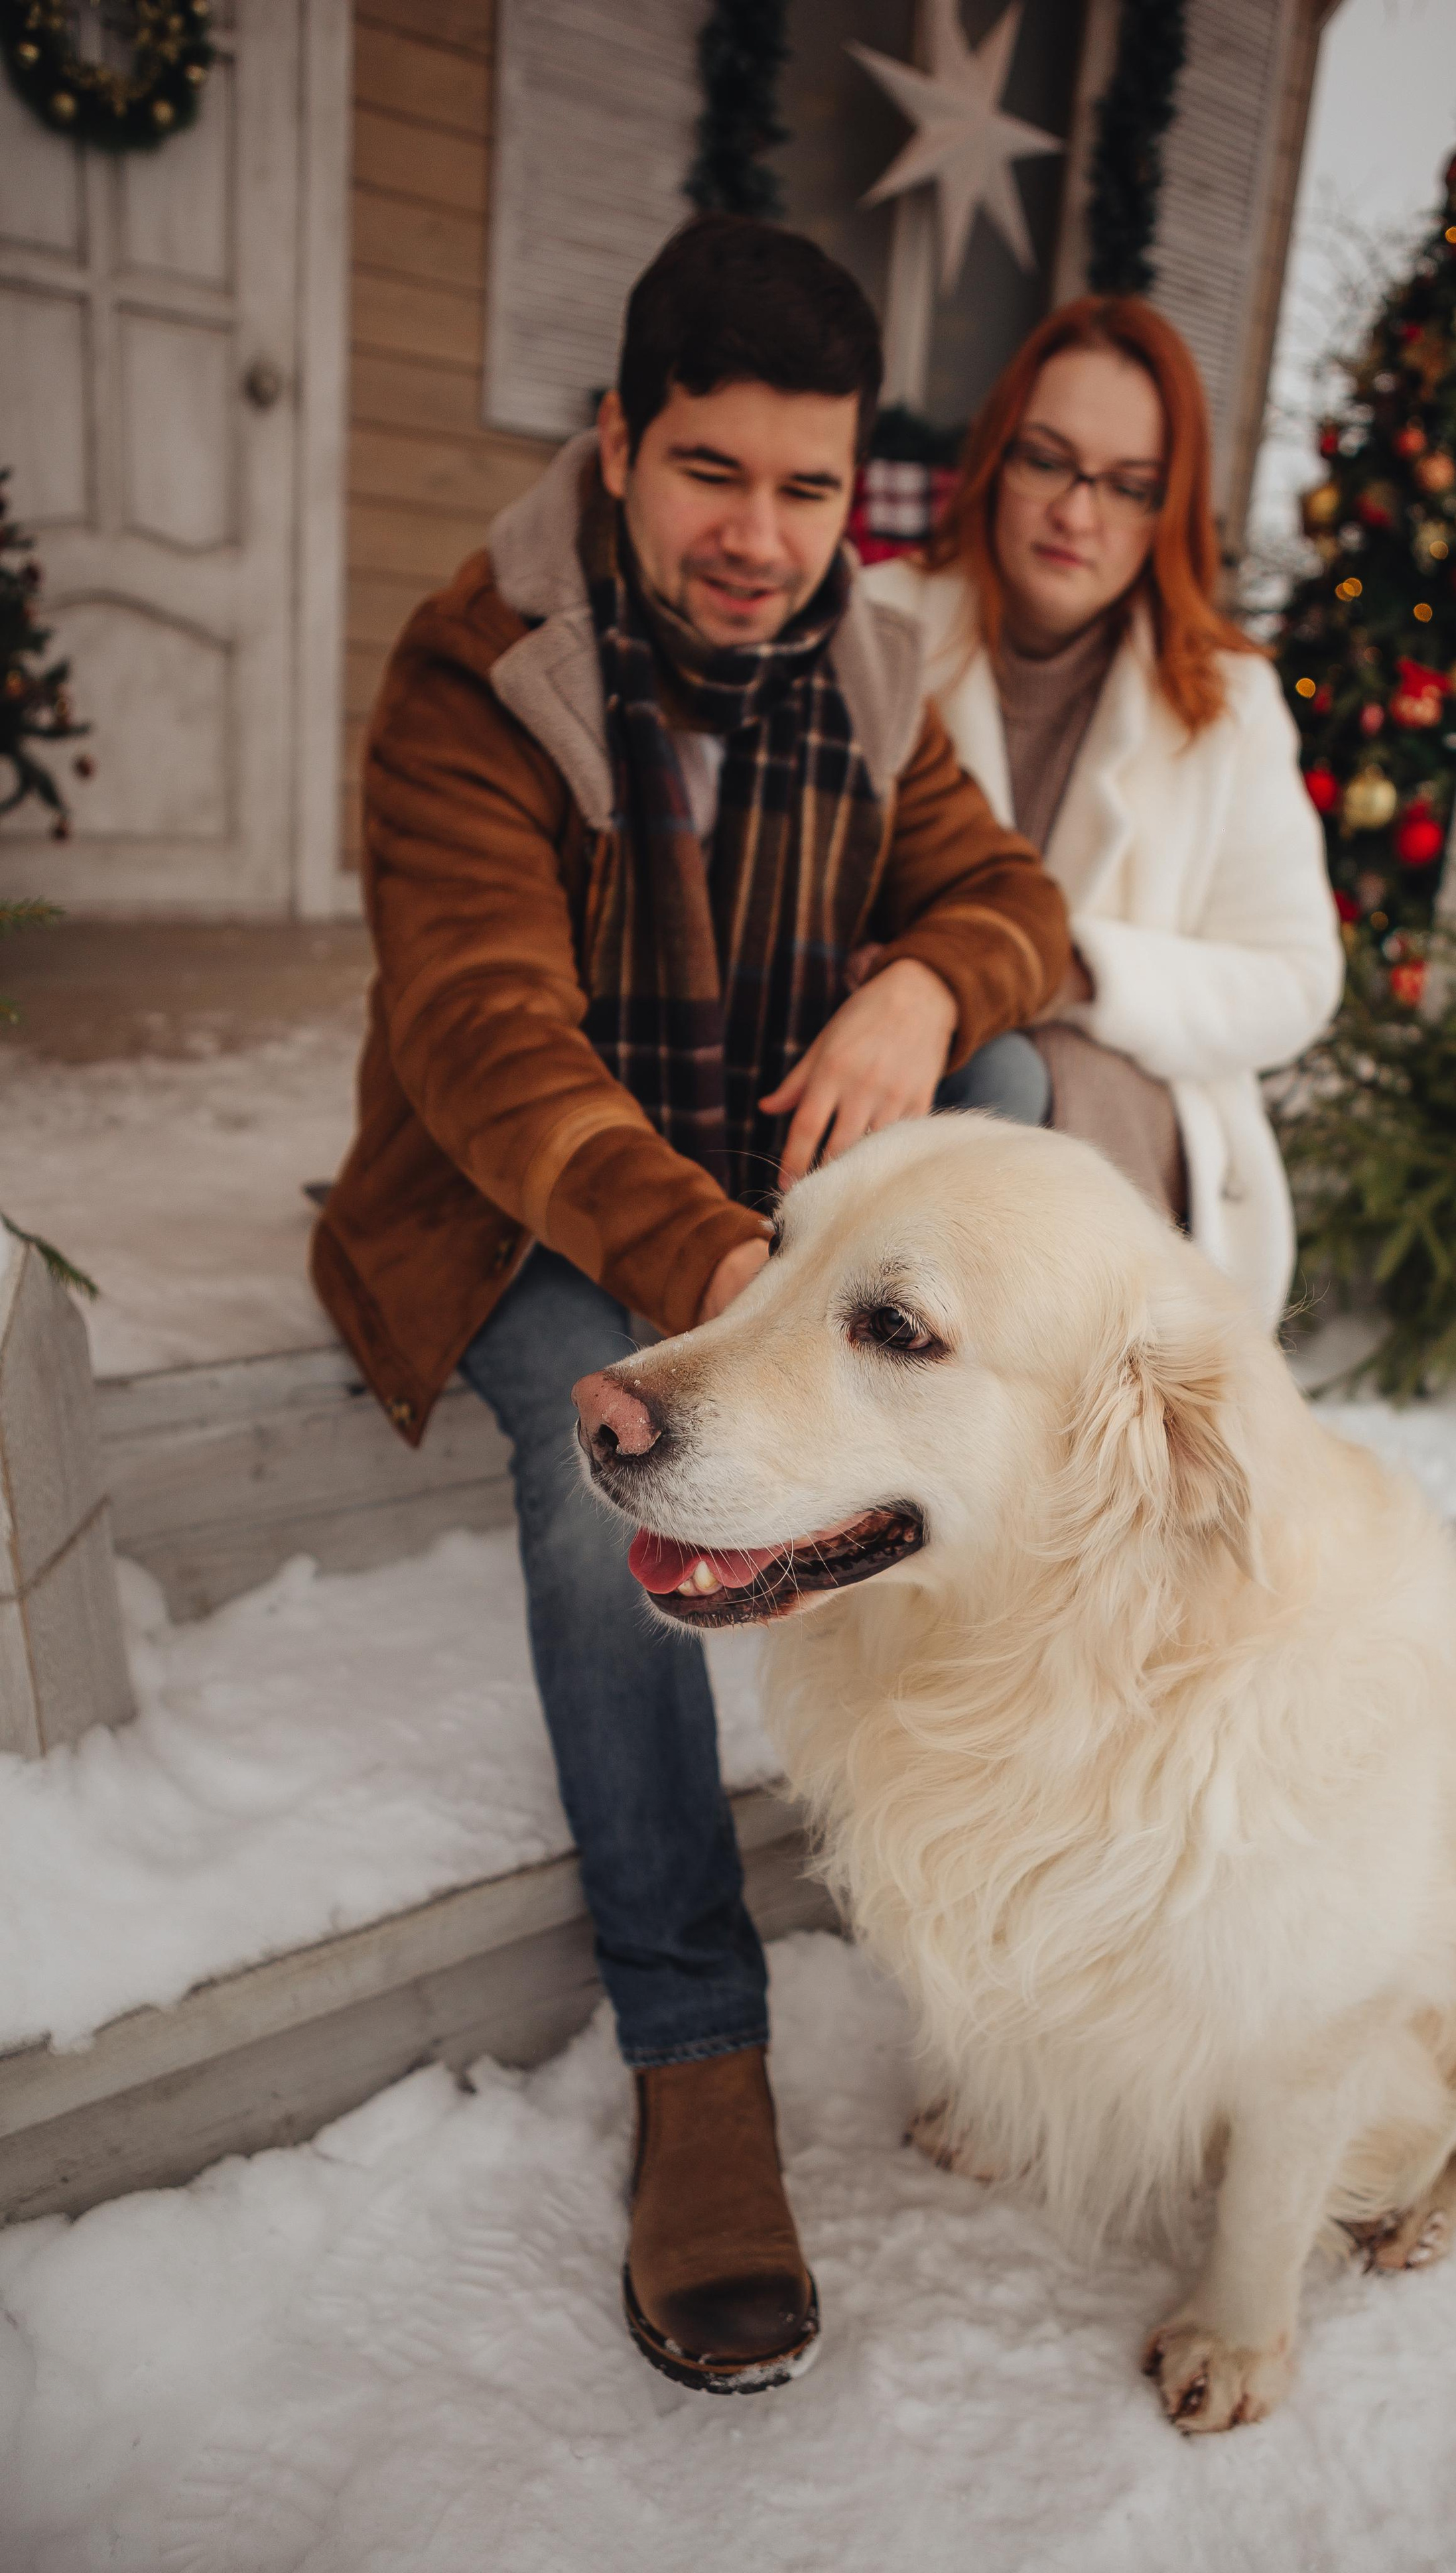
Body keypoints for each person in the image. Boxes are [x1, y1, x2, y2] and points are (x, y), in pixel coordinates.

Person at [310, 216, 1069, 2394]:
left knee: (1002, 1083)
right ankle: (698, 2048)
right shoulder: (482, 678)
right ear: (620, 444)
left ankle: (928, 1662)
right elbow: (485, 1051)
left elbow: (1013, 902)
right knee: (595, 1475)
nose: (760, 539)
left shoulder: (871, 663)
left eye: (810, 489)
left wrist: (924, 981)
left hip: (752, 1167)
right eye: (712, 474)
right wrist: (739, 1279)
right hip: (540, 1194)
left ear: (858, 496)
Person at [864, 296, 1344, 1329]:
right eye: (1048, 461)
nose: (1078, 514)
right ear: (997, 457)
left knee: (1006, 1068)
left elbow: (1299, 980)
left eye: (1129, 487)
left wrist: (1070, 967)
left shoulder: (1225, 701)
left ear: (1170, 508)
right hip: (883, 1061)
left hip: (1119, 1104)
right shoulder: (880, 626)